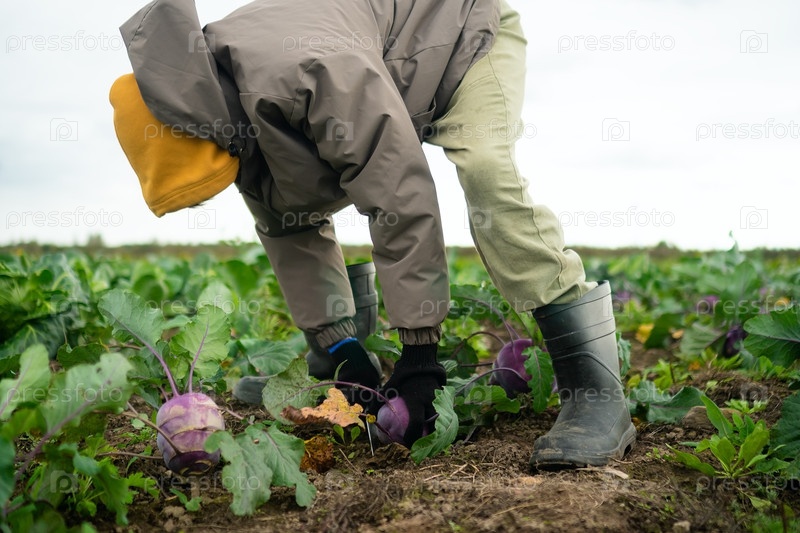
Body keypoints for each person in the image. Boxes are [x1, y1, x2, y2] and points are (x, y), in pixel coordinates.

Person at [112, 0, 635, 468]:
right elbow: (287, 226)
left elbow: (398, 195)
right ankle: (346, 365)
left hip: (460, 37)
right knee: (291, 203)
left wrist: (420, 357)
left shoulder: (311, 71)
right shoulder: (217, 104)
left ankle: (594, 393)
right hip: (384, 68)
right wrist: (339, 348)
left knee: (486, 172)